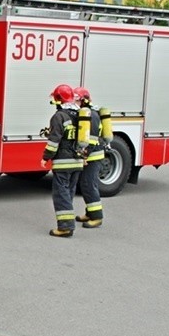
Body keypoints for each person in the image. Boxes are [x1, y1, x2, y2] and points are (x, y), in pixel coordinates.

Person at [41, 84, 85, 238]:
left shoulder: (59, 116)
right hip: (78, 160)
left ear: (58, 99)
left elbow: (54, 141)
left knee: (61, 193)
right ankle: (67, 221)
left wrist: (46, 157)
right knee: (69, 193)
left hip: (63, 161)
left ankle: (65, 227)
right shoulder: (81, 114)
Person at [73, 87, 106, 228]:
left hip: (93, 156)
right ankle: (90, 213)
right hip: (91, 155)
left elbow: (91, 140)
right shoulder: (88, 113)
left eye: (76, 100)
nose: (74, 102)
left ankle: (97, 217)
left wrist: (85, 155)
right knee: (86, 184)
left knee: (89, 184)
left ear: (83, 100)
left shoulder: (91, 116)